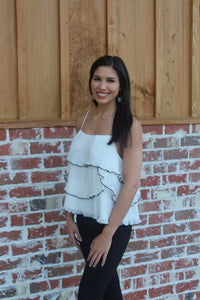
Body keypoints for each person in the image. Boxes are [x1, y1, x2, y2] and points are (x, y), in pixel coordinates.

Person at [64, 55, 143, 300]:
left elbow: (131, 184)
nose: (102, 86)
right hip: (85, 222)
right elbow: (75, 173)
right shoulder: (82, 120)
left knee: (88, 294)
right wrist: (69, 216)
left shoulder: (129, 125)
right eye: (97, 79)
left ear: (121, 86)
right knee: (109, 291)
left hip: (114, 225)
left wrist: (108, 233)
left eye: (110, 80)